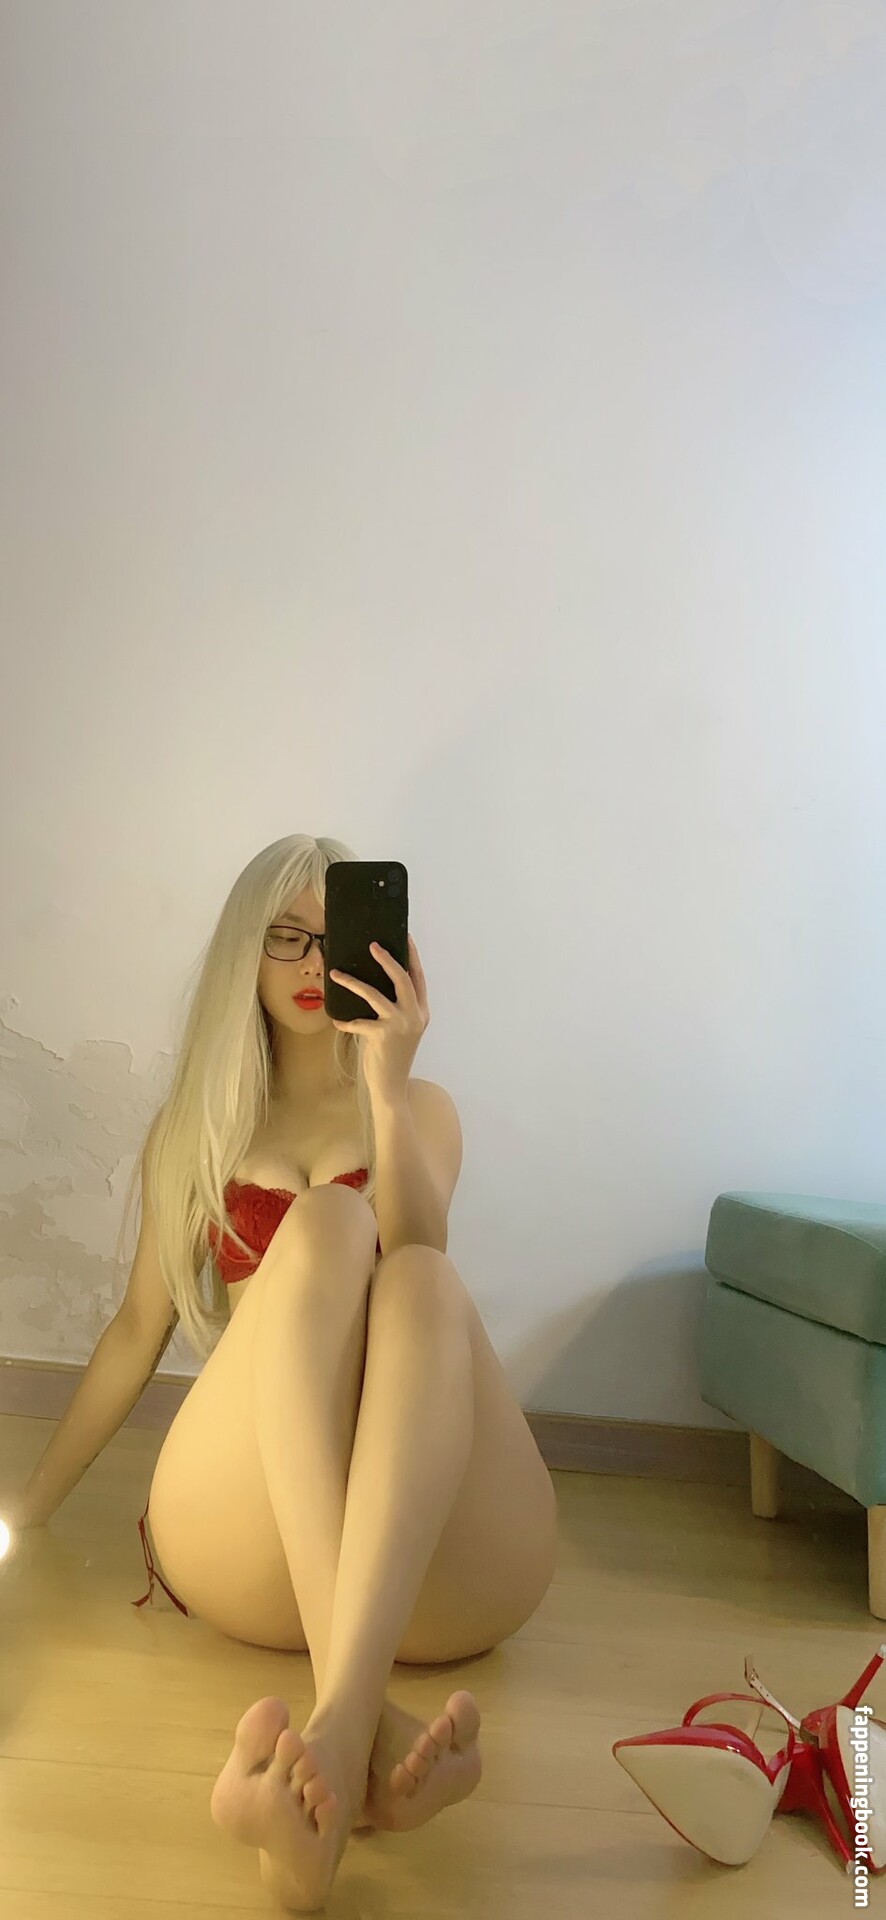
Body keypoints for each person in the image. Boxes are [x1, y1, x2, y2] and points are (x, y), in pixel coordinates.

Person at [18, 832, 559, 1912]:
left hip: (430, 1566)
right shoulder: (196, 1129)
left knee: (420, 1278)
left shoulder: (424, 1109)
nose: (313, 963)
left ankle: (330, 1751)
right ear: (245, 954)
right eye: (285, 937)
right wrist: (25, 1511)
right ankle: (357, 1720)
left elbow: (421, 1249)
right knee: (327, 1225)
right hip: (254, 1536)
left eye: (335, 935)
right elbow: (135, 1333)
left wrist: (387, 1084)